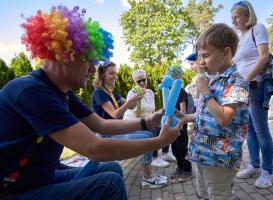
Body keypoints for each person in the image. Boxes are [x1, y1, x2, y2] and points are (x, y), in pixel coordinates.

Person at [0, 5, 184, 199]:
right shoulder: (32, 92)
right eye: (89, 60)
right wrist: (159, 141)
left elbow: (101, 124)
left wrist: (148, 122)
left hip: (38, 178)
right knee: (109, 184)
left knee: (112, 169)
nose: (92, 69)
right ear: (64, 55)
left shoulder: (61, 93)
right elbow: (93, 148)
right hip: (13, 190)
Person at [186, 23, 249, 200]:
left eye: (205, 55)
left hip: (220, 157)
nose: (201, 62)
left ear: (226, 53)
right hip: (202, 152)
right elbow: (207, 115)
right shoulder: (213, 80)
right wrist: (185, 118)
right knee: (204, 194)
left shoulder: (237, 81)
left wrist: (205, 91)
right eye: (199, 57)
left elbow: (223, 118)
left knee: (219, 195)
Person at [92, 63, 168, 189]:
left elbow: (131, 106)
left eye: (115, 73)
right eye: (111, 73)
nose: (115, 76)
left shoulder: (112, 93)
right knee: (146, 138)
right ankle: (148, 178)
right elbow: (115, 114)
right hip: (106, 135)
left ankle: (148, 174)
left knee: (149, 135)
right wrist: (130, 101)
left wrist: (137, 99)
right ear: (102, 75)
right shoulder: (99, 93)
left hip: (116, 130)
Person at [231, 0, 273, 188]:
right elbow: (234, 63)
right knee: (248, 129)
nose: (233, 20)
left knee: (260, 129)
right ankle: (254, 165)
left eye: (237, 16)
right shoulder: (239, 38)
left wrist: (247, 78)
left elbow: (264, 57)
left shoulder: (257, 29)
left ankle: (268, 171)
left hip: (256, 86)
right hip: (243, 88)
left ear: (247, 15)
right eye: (231, 17)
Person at [123, 69, 170, 168]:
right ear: (134, 82)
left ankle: (165, 153)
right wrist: (152, 121)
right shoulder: (132, 93)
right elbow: (138, 114)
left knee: (166, 124)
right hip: (134, 124)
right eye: (138, 81)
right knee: (156, 129)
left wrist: (158, 117)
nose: (142, 83)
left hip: (145, 121)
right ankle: (154, 157)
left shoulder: (150, 93)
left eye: (143, 80)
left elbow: (151, 111)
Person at [165, 66, 193, 183]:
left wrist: (180, 123)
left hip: (180, 124)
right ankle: (180, 166)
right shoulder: (170, 91)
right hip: (172, 124)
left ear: (177, 78)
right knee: (175, 147)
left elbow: (183, 108)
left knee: (182, 147)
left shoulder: (180, 90)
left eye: (171, 77)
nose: (168, 79)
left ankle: (187, 169)